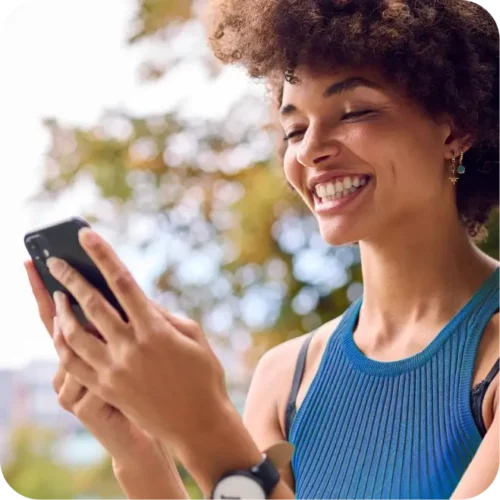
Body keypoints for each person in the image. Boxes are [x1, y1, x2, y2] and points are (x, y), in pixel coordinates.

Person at [25, 0, 500, 498]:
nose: (310, 149)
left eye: (355, 111)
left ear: (456, 126)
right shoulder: (287, 379)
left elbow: (228, 467)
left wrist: (202, 428)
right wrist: (140, 454)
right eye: (293, 128)